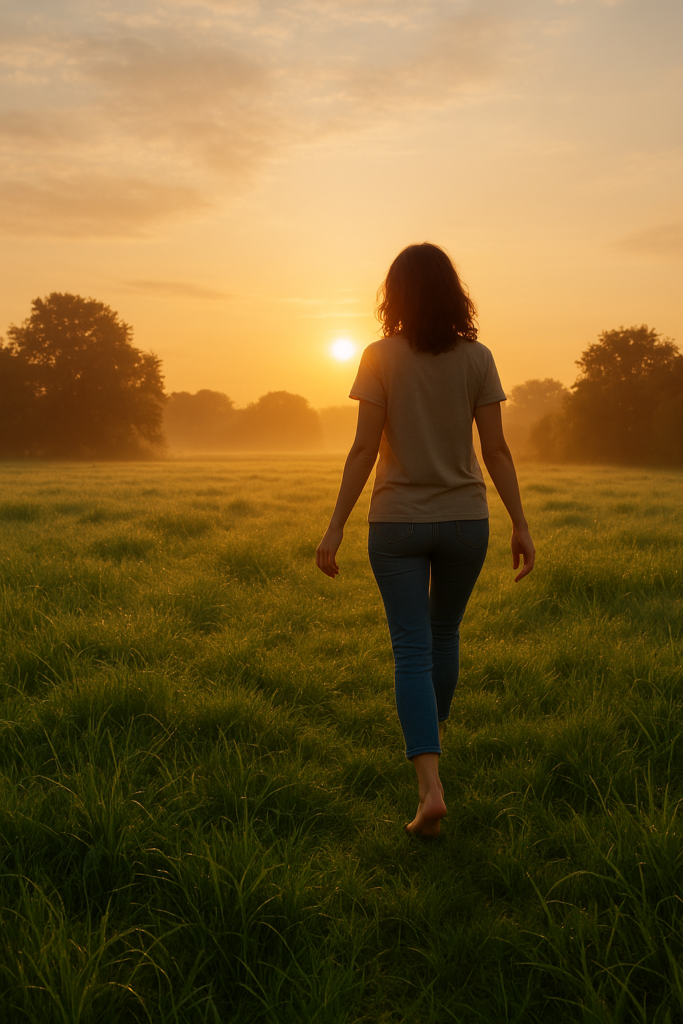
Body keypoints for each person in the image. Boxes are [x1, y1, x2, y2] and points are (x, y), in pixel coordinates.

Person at [316, 243, 535, 839]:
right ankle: (431, 744)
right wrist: (520, 522)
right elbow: (496, 449)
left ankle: (429, 787)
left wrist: (335, 525)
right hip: (466, 522)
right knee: (444, 635)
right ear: (452, 293)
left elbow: (364, 448)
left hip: (397, 524)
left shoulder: (379, 356)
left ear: (395, 296)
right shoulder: (478, 358)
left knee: (412, 650)